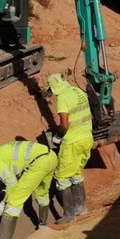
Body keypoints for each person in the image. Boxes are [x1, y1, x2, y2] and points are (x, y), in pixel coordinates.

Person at [46, 73, 94, 224]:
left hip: (72, 141)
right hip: (87, 138)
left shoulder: (63, 98)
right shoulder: (78, 91)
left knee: (61, 177)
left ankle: (69, 214)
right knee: (76, 172)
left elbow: (64, 125)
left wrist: (58, 136)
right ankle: (81, 207)